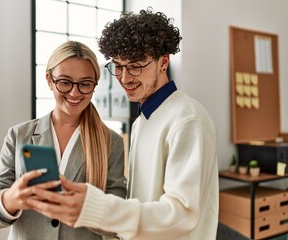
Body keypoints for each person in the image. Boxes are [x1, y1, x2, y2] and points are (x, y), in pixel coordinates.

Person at [28, 7, 219, 240]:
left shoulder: (188, 120)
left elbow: (182, 215)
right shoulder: (142, 121)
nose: (125, 78)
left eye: (136, 66)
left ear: (163, 62)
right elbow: (141, 202)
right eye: (118, 66)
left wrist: (98, 208)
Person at [0, 40, 127, 240]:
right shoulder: (19, 135)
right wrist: (11, 199)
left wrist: (86, 208)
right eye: (65, 82)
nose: (75, 93)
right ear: (49, 80)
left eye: (85, 84)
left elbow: (118, 222)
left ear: (94, 85)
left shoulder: (111, 142)